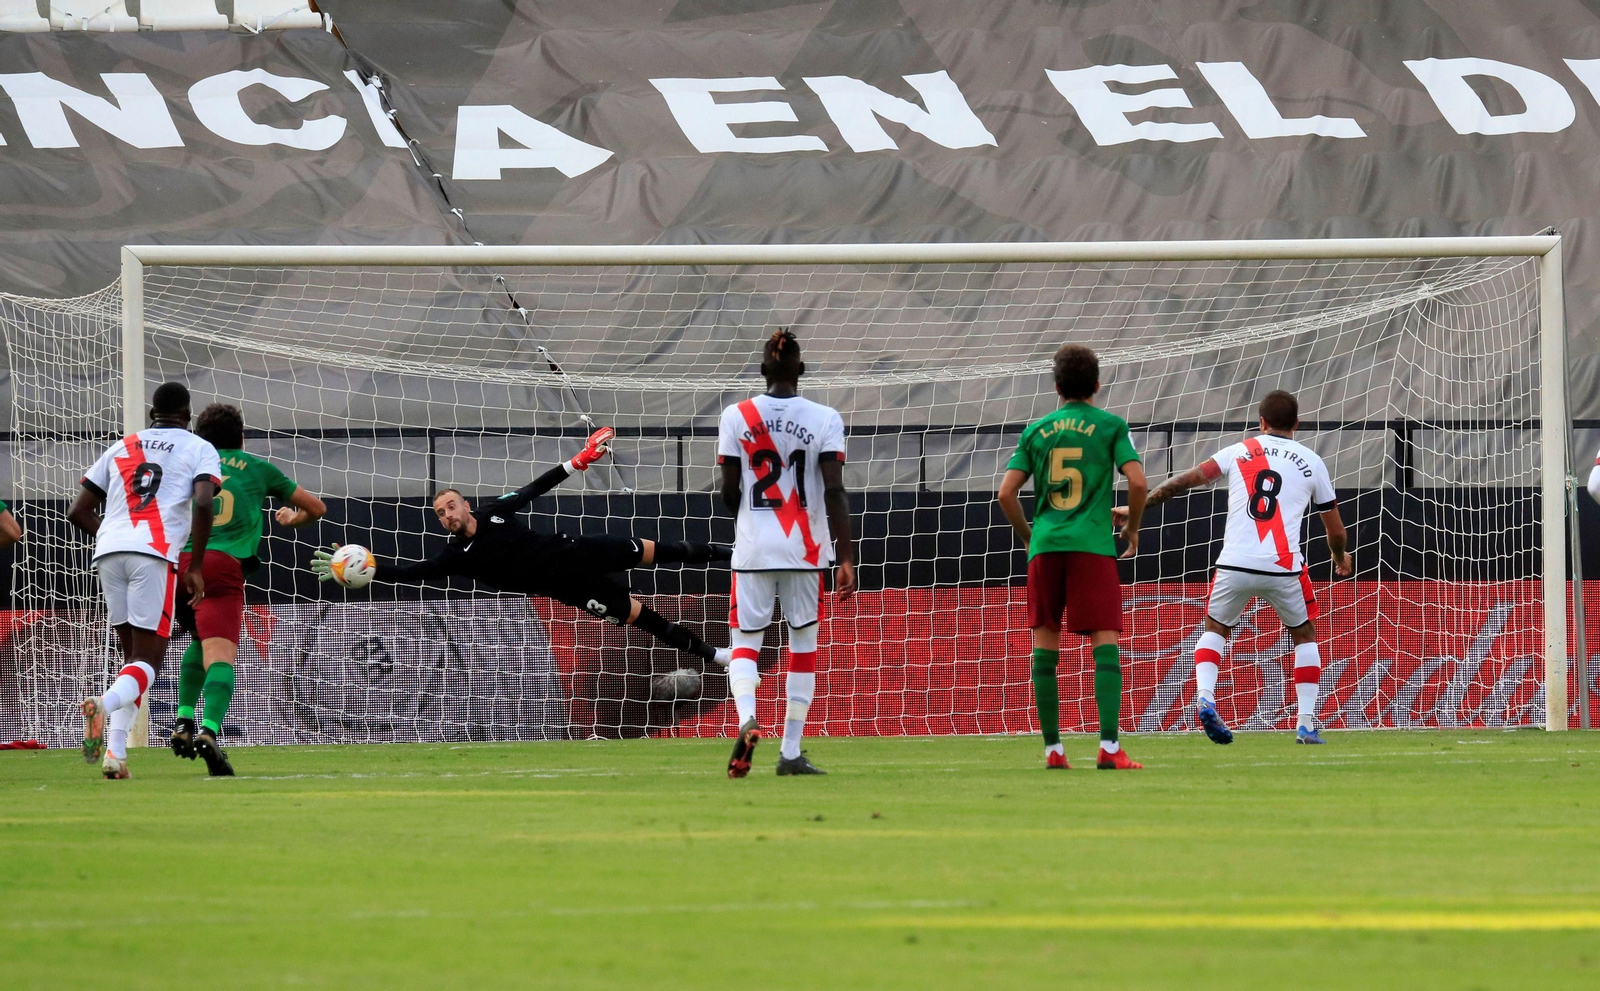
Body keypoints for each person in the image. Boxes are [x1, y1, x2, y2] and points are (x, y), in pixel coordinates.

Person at [312, 428, 734, 667]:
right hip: (572, 589)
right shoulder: (453, 557)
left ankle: (733, 554)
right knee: (643, 617)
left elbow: (536, 487)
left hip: (578, 551)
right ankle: (717, 656)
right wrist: (362, 570)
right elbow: (409, 574)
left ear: (466, 504)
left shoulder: (496, 512)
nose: (447, 515)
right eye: (440, 512)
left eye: (451, 506)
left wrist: (580, 460)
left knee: (657, 550)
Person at [1121, 390, 1352, 745]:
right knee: (1304, 636)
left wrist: (1138, 510)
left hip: (1234, 564)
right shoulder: (1312, 461)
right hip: (1283, 567)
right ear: (1296, 424)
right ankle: (1305, 724)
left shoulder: (1238, 451)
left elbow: (1183, 482)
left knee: (1214, 629)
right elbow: (1334, 529)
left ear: (1260, 423)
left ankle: (1205, 698)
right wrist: (1339, 557)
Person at [998, 344, 1146, 770]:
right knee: (1105, 641)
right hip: (1092, 546)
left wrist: (1029, 537)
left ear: (1057, 386)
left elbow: (1006, 493)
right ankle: (1109, 748)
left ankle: (1053, 750)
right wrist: (1132, 527)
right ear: (1097, 385)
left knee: (1045, 641)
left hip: (1046, 546)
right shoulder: (1111, 426)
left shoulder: (1037, 430)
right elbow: (1137, 483)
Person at [717, 328, 855, 778]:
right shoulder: (825, 417)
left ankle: (746, 720)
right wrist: (847, 556)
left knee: (745, 645)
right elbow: (834, 491)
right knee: (803, 648)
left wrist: (750, 520)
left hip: (754, 551)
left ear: (762, 371)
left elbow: (728, 491)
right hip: (806, 552)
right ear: (801, 370)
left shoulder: (736, 415)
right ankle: (791, 752)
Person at [70, 382, 221, 779]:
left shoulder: (123, 446)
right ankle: (101, 705)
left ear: (152, 412)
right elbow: (204, 501)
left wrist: (113, 535)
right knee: (149, 661)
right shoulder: (198, 447)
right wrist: (196, 565)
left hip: (108, 552)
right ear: (187, 413)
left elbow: (77, 511)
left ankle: (115, 755)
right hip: (152, 555)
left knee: (132, 663)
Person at [169, 403, 327, 776]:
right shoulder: (257, 467)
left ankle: (184, 720)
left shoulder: (189, 464)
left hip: (177, 565)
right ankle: (208, 731)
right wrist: (292, 518)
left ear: (200, 437)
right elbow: (316, 508)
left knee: (198, 641)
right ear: (241, 437)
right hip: (221, 567)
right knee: (221, 655)